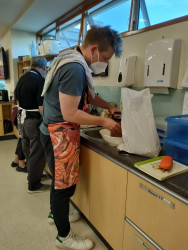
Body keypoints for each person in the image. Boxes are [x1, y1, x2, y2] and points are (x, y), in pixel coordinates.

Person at [40, 25, 122, 249]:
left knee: (60, 184)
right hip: (58, 135)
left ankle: (54, 214)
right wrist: (105, 121)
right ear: (94, 49)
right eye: (105, 58)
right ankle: (63, 236)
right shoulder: (75, 68)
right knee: (63, 188)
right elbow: (70, 113)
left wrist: (109, 107)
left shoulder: (72, 58)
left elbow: (89, 96)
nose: (104, 63)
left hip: (54, 132)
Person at [15, 56, 50, 193]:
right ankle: (34, 184)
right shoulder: (40, 80)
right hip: (34, 121)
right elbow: (41, 108)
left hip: (23, 120)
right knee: (37, 152)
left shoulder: (23, 78)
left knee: (28, 149)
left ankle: (32, 176)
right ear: (44, 68)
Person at [11, 89, 27, 172]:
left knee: (21, 139)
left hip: (16, 113)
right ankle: (21, 164)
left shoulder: (20, 86)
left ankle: (16, 160)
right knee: (22, 140)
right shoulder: (22, 88)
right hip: (20, 115)